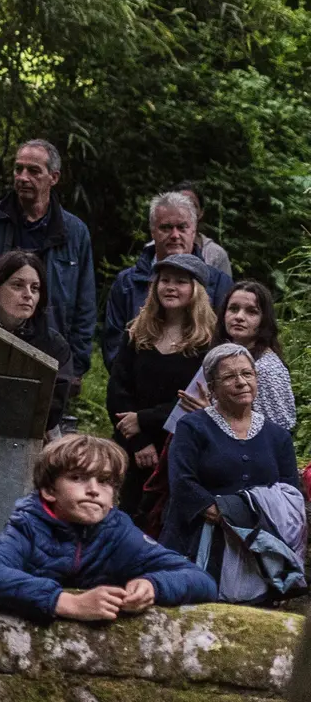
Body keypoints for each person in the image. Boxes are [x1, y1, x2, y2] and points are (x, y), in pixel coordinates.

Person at [0, 434, 216, 623]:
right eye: (78, 478)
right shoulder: (29, 526)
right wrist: (67, 602)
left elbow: (202, 581)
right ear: (49, 490)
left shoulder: (118, 532)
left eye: (105, 481)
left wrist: (152, 586)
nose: (94, 489)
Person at [162, 343, 304, 603]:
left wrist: (253, 525)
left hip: (258, 547)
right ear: (212, 388)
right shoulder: (192, 427)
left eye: (247, 374)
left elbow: (290, 493)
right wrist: (226, 517)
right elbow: (182, 483)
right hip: (200, 540)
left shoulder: (277, 436)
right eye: (229, 377)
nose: (241, 382)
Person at [108, 252, 217, 522]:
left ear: (196, 290)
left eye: (180, 281)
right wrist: (140, 441)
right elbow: (118, 391)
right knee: (120, 518)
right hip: (131, 445)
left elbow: (194, 402)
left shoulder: (208, 344)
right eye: (164, 280)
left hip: (178, 448)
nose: (170, 287)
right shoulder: (137, 333)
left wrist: (144, 419)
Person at [0, 140, 96, 378]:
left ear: (54, 177)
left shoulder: (75, 232)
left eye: (33, 171)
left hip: (50, 355)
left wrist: (75, 367)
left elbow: (85, 305)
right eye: (18, 169)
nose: (22, 177)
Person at [99, 192, 233, 371]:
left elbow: (226, 343)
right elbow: (113, 345)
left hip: (197, 392)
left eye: (182, 227)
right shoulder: (127, 283)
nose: (175, 235)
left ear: (194, 230)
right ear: (153, 231)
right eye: (166, 227)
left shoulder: (218, 283)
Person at [176, 281, 295, 432]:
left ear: (264, 320)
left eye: (251, 311)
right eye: (233, 309)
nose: (239, 317)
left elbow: (278, 434)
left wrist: (211, 416)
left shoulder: (266, 368)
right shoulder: (220, 356)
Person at [0, 251, 74, 432]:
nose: (28, 294)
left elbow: (51, 412)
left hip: (28, 435)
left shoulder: (54, 346)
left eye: (35, 288)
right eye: (18, 285)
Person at [174, 182, 234, 278]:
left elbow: (225, 291)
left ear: (201, 212)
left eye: (191, 205)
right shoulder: (153, 248)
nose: (185, 209)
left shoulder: (216, 254)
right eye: (180, 204)